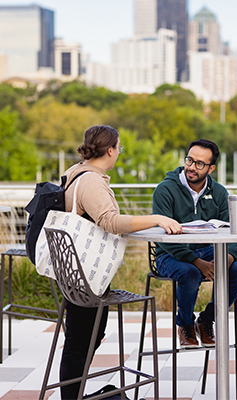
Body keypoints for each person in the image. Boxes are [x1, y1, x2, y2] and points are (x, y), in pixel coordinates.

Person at [60, 125, 182, 399]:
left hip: (76, 271)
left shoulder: (75, 172)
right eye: (120, 148)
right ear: (111, 150)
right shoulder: (90, 180)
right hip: (85, 274)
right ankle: (71, 397)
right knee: (81, 339)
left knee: (85, 336)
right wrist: (157, 218)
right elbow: (111, 222)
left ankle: (73, 394)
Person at [152, 139, 237, 348]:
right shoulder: (165, 190)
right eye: (190, 160)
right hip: (169, 255)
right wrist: (197, 262)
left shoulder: (220, 193)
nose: (191, 167)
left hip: (208, 252)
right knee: (190, 274)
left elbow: (233, 231)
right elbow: (164, 236)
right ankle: (185, 325)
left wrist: (227, 257)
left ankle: (206, 320)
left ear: (211, 168)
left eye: (199, 164)